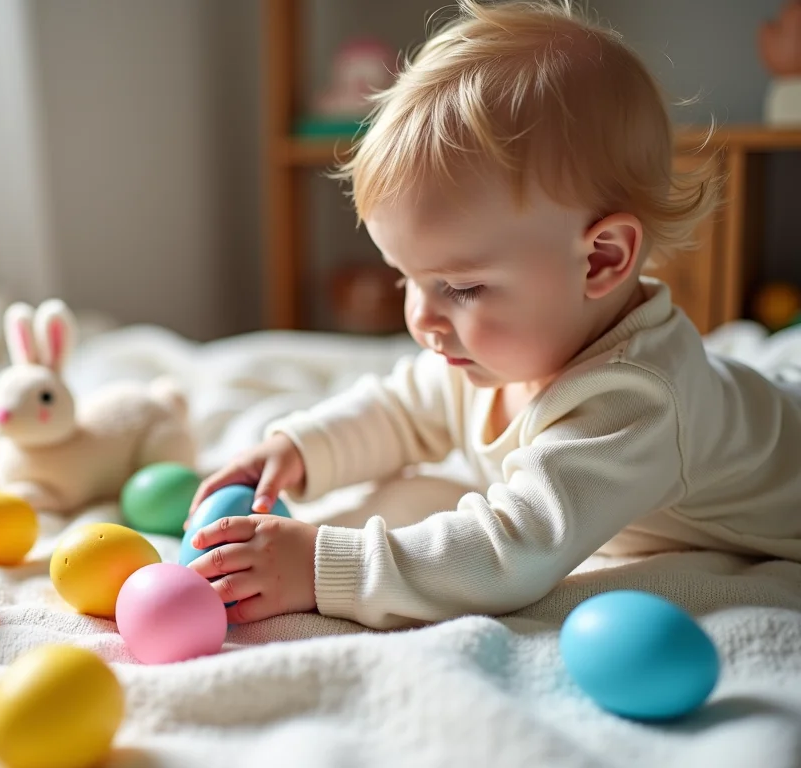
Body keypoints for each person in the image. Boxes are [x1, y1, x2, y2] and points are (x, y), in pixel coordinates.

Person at [187, 0, 801, 631]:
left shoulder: (635, 403)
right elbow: (401, 411)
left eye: (461, 287)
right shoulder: (502, 346)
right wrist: (298, 449)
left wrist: (321, 565)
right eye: (406, 278)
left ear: (601, 260)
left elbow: (510, 552)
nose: (422, 319)